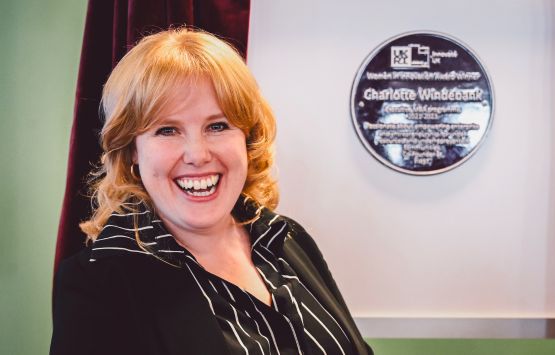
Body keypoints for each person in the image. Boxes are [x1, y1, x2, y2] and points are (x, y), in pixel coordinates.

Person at [50, 28, 372, 355]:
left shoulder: (286, 237)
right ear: (133, 149)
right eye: (167, 130)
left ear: (246, 137)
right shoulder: (97, 283)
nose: (198, 154)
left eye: (217, 126)